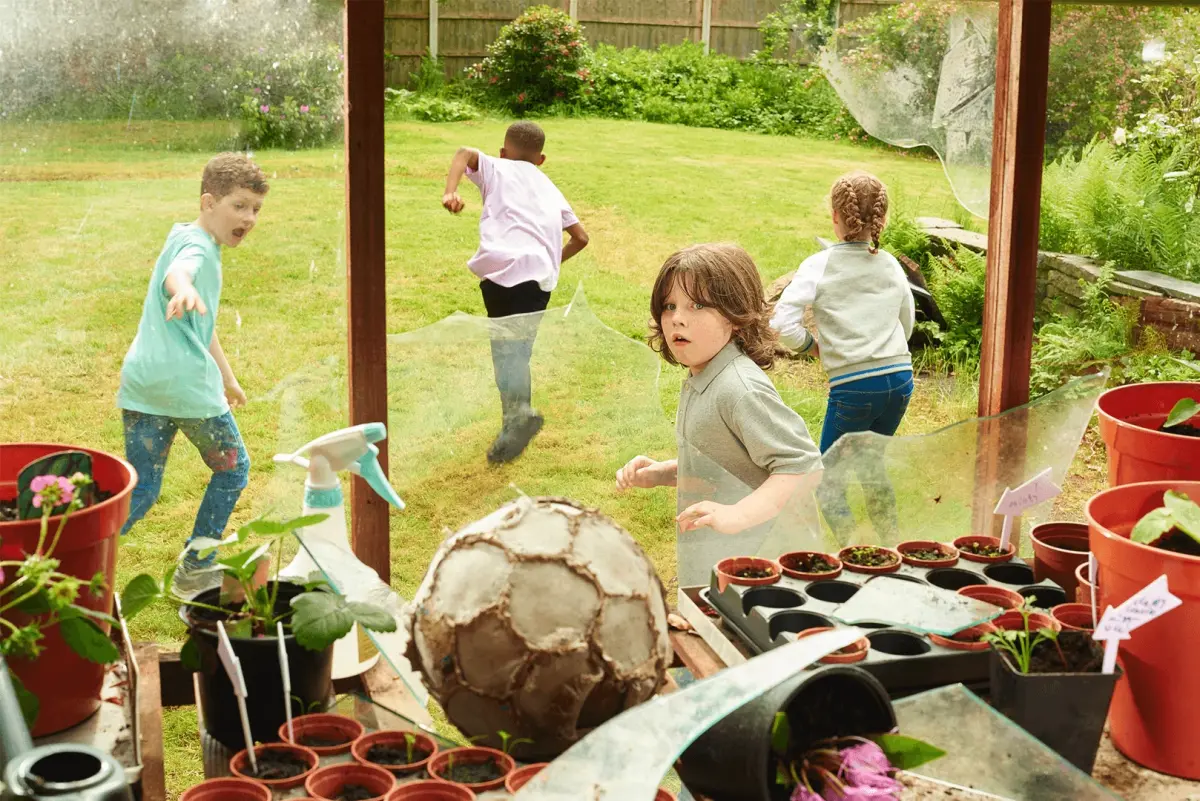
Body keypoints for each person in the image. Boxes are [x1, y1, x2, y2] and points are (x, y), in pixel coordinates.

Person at [616, 244, 822, 580]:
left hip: (764, 567)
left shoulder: (739, 389)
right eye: (669, 306)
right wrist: (662, 473)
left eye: (697, 305)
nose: (677, 318)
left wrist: (738, 514)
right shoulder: (702, 376)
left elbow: (803, 467)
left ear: (736, 316)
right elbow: (725, 467)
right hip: (721, 559)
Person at [117, 152, 267, 596]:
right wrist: (181, 286)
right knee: (234, 470)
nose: (249, 217)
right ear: (208, 202)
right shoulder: (198, 248)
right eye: (239, 205)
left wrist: (227, 375)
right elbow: (181, 274)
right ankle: (196, 565)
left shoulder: (182, 233)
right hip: (185, 389)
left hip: (144, 384)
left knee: (140, 489)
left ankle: (61, 559)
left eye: (256, 209)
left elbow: (200, 325)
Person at [770, 170, 914, 536]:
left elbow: (781, 322)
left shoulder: (820, 265)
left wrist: (811, 347)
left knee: (825, 476)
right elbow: (907, 322)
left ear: (835, 217)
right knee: (871, 464)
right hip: (900, 381)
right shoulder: (891, 265)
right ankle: (890, 541)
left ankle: (854, 549)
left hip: (854, 388)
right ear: (882, 218)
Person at [442, 121, 589, 464]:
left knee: (506, 352)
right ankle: (513, 426)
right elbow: (581, 238)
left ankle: (519, 417)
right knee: (517, 351)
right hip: (539, 282)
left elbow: (464, 153)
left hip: (504, 276)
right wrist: (551, 262)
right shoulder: (549, 186)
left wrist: (450, 192)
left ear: (503, 152)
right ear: (541, 160)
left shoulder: (498, 167)